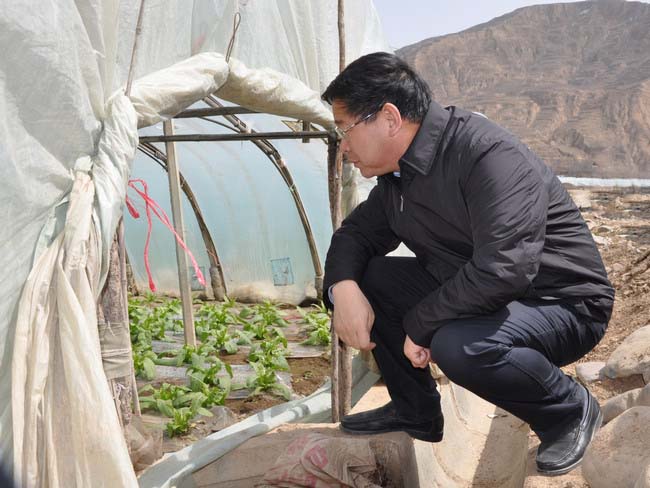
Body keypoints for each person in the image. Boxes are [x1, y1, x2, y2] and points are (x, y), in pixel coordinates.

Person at [322, 52, 614, 476]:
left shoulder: (487, 155)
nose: (343, 147)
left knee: (459, 346)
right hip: (485, 292)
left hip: (561, 303)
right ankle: (415, 411)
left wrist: (421, 323)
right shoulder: (399, 178)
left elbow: (505, 268)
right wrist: (343, 288)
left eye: (345, 130)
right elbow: (356, 235)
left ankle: (568, 409)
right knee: (367, 276)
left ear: (389, 118)